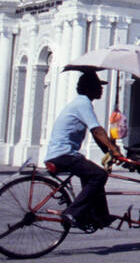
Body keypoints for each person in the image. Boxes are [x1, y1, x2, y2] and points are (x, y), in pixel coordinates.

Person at [44, 71, 124, 230]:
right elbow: (97, 130)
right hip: (64, 154)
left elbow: (96, 135)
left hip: (61, 153)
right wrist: (115, 151)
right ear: (89, 88)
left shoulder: (81, 103)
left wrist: (108, 152)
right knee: (99, 175)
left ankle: (99, 216)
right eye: (98, 86)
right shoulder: (83, 103)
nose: (101, 90)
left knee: (92, 174)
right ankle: (73, 212)